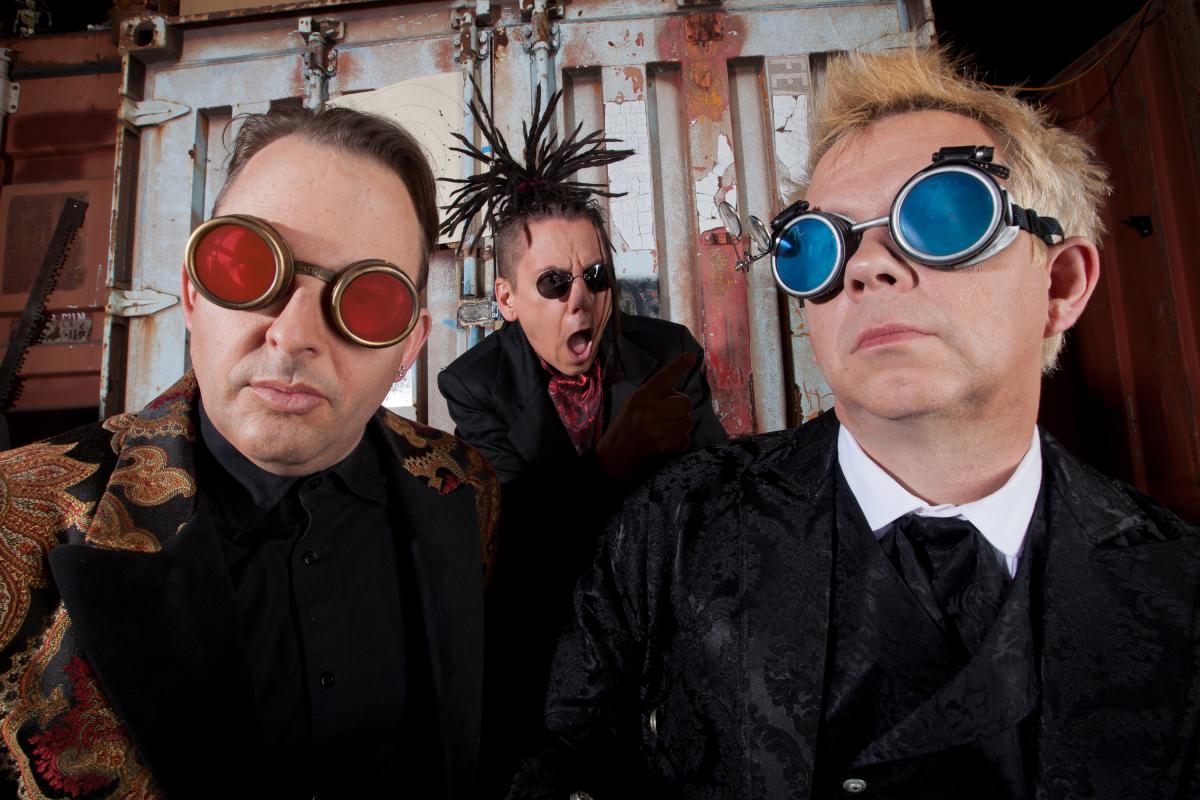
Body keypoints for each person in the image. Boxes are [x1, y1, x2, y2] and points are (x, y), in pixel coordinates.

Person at [509, 48, 1199, 800]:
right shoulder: (678, 525)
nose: (868, 267)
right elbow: (562, 754)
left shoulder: (1178, 587)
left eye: (943, 214)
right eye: (819, 245)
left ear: (1060, 284)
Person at [0, 107, 497, 799]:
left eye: (368, 299)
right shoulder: (12, 517)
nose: (293, 334)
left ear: (408, 346)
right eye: (250, 268)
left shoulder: (465, 489)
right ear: (192, 295)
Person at [436, 88, 726, 791]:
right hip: (542, 653)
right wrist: (611, 465)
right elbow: (515, 538)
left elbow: (715, 506)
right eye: (553, 282)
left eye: (595, 276)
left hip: (662, 645)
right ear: (507, 300)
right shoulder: (473, 385)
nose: (580, 299)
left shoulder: (668, 355)